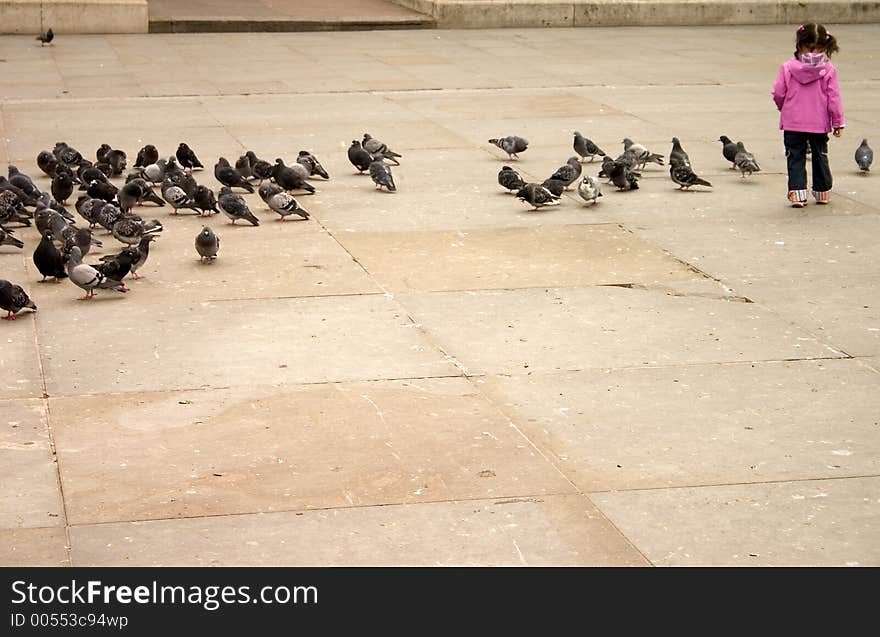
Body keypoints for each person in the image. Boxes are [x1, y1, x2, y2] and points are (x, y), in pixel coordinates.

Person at [772, 23, 845, 208]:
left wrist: (785, 108)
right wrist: (837, 122)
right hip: (818, 123)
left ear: (798, 45)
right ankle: (822, 192)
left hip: (793, 123)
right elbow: (834, 99)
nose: (813, 54)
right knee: (820, 155)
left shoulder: (787, 67)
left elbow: (779, 93)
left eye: (816, 50)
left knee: (795, 156)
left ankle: (797, 194)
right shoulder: (829, 70)